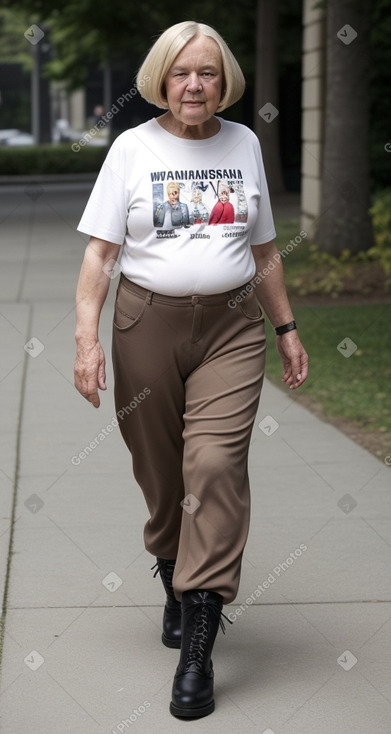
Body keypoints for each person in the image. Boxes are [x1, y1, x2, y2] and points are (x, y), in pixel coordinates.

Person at [74, 20, 308, 719]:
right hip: (146, 324)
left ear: (223, 80)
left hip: (232, 329)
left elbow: (264, 251)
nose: (194, 85)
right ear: (161, 79)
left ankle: (199, 638)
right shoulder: (131, 148)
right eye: (181, 73)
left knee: (212, 467)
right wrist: (86, 342)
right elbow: (98, 258)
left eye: (206, 72)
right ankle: (171, 566)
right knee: (162, 469)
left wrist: (286, 328)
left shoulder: (244, 144)